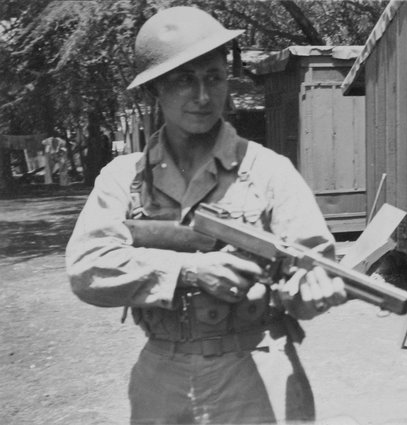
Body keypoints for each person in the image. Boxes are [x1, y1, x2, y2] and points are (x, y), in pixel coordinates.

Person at [66, 6, 347, 424]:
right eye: (184, 80)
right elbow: (87, 269)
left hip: (255, 371)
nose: (202, 96)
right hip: (162, 376)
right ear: (154, 90)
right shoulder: (124, 177)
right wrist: (190, 271)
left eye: (214, 78)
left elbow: (310, 273)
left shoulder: (270, 171)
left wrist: (312, 292)